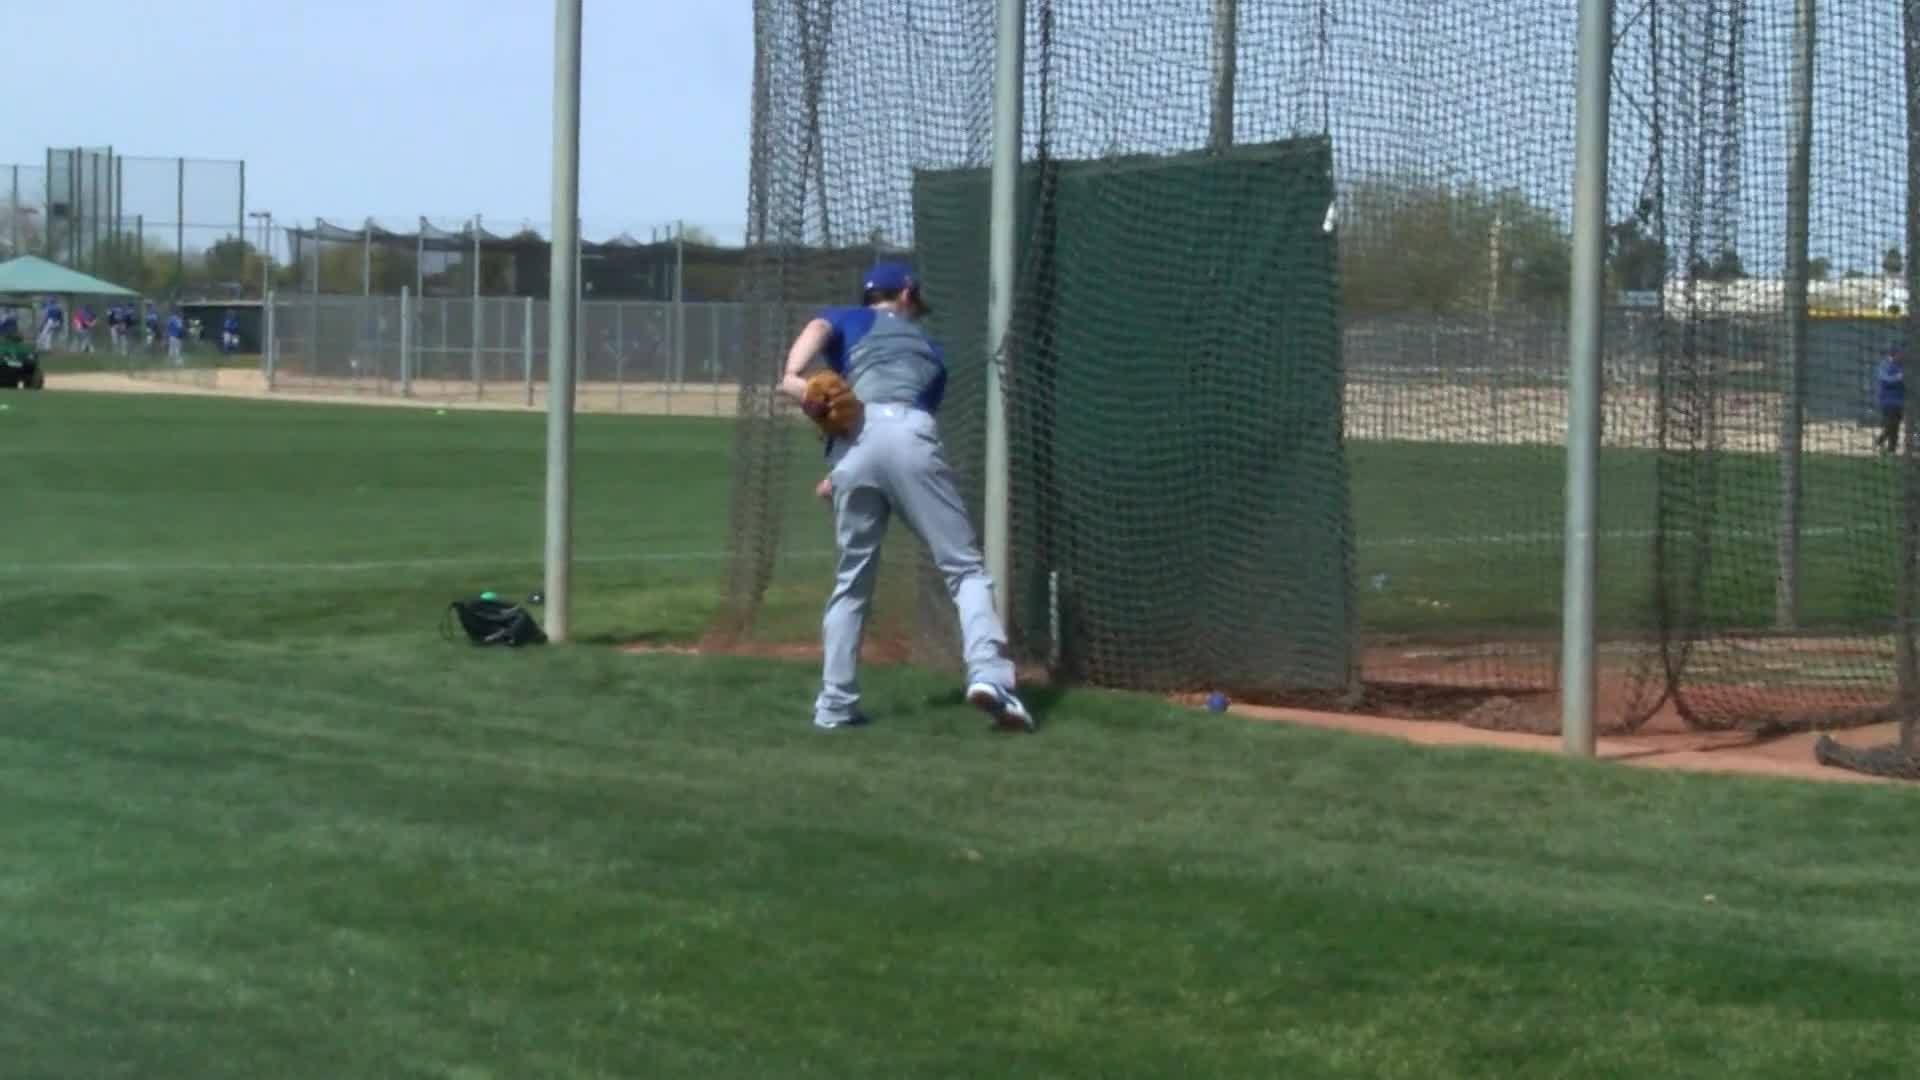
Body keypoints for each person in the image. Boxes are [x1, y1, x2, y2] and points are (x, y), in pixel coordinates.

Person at [778, 261, 1034, 733]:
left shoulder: (847, 319)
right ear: (908, 294)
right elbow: (900, 432)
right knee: (964, 568)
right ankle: (988, 675)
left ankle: (834, 705)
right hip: (906, 431)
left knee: (851, 580)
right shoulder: (933, 352)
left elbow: (815, 338)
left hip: (852, 447)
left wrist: (796, 379)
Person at [1876, 344, 1906, 455]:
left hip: (1900, 401)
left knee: (1896, 426)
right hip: (1887, 401)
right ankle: (1882, 442)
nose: (1902, 356)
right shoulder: (1885, 365)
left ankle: (1890, 449)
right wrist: (1898, 377)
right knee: (1890, 425)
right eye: (1900, 354)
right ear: (1893, 354)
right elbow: (1885, 379)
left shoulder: (1902, 365)